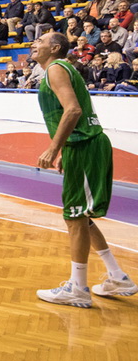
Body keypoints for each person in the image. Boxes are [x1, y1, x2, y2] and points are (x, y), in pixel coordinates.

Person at [31, 32, 136, 306]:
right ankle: (117, 276)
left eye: (40, 41)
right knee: (82, 217)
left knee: (75, 217)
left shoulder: (55, 68)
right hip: (80, 146)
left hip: (86, 145)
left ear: (54, 48)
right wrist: (65, 149)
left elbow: (73, 110)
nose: (34, 43)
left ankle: (77, 288)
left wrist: (54, 148)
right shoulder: (59, 69)